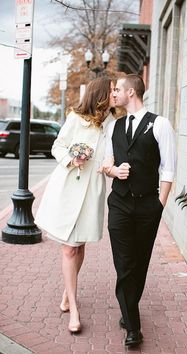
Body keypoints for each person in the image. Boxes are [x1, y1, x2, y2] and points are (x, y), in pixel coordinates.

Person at [35, 76, 115, 334]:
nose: (115, 94)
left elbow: (110, 157)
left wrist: (113, 167)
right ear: (100, 94)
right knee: (69, 249)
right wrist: (72, 158)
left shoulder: (111, 125)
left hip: (92, 191)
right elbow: (57, 146)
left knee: (79, 246)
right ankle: (75, 309)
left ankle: (67, 294)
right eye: (112, 90)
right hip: (69, 188)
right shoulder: (75, 118)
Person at [102, 74, 176, 347]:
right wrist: (114, 171)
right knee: (124, 262)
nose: (114, 95)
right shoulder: (114, 127)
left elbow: (168, 168)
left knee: (140, 260)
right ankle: (133, 326)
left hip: (148, 205)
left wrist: (160, 205)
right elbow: (106, 163)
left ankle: (127, 307)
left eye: (117, 90)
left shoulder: (160, 124)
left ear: (131, 92)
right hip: (119, 203)